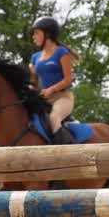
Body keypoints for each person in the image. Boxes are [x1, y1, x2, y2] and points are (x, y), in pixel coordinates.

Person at [29, 16, 79, 144]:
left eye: (37, 33)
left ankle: (66, 153)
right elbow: (33, 83)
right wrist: (30, 90)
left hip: (63, 98)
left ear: (48, 34)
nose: (33, 37)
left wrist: (51, 89)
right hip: (45, 100)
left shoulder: (61, 52)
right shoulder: (35, 57)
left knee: (54, 118)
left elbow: (68, 80)